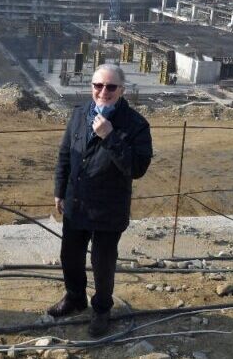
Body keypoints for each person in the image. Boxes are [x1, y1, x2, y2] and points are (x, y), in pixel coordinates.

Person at [49, 63, 153, 337]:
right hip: (77, 202)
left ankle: (102, 309)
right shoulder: (80, 114)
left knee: (102, 262)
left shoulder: (136, 125)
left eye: (110, 87)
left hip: (109, 209)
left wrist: (110, 137)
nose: (103, 91)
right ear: (91, 87)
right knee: (69, 257)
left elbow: (137, 168)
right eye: (98, 85)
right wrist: (60, 190)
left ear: (122, 90)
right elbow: (65, 154)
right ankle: (75, 298)